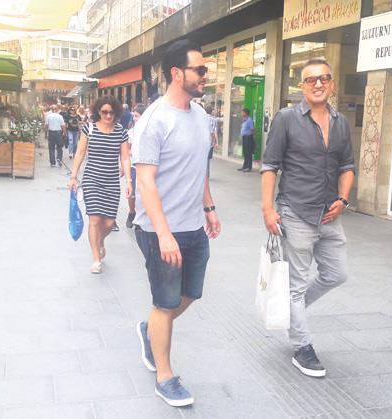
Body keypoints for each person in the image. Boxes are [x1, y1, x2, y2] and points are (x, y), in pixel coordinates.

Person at [131, 39, 221, 408]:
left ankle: (151, 329)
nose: (205, 75)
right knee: (166, 303)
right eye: (200, 69)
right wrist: (164, 234)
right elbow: (145, 182)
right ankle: (165, 377)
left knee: (191, 294)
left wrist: (209, 206)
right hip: (158, 231)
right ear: (177, 73)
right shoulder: (154, 120)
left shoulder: (201, 117)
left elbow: (200, 167)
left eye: (205, 69)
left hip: (194, 226)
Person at [260, 58, 355, 378]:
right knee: (296, 286)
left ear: (332, 84)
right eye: (311, 79)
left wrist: (343, 199)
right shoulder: (287, 119)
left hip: (329, 214)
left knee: (337, 274)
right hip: (296, 211)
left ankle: (290, 311)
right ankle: (302, 347)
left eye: (324, 78)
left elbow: (347, 166)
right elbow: (270, 165)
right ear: (301, 86)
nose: (318, 84)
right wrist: (267, 209)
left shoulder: (340, 122)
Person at [67, 96, 132, 274]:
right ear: (98, 112)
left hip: (112, 182)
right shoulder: (89, 129)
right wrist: (73, 176)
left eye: (111, 112)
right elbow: (80, 153)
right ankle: (96, 259)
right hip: (92, 179)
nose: (108, 115)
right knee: (95, 219)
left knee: (109, 223)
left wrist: (128, 181)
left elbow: (125, 157)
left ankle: (100, 240)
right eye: (104, 112)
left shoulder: (121, 132)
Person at [126, 103, 146, 228]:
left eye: (137, 116)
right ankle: (132, 212)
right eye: (134, 116)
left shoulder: (150, 132)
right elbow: (126, 150)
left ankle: (141, 216)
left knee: (144, 193)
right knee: (132, 193)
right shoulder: (131, 133)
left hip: (146, 168)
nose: (134, 118)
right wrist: (133, 153)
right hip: (134, 166)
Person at [237, 108, 255, 172]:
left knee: (248, 152)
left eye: (242, 112)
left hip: (248, 138)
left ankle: (249, 167)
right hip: (244, 137)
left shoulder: (249, 120)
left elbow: (252, 129)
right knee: (245, 152)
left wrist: (252, 137)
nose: (241, 113)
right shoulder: (244, 120)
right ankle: (244, 166)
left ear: (245, 113)